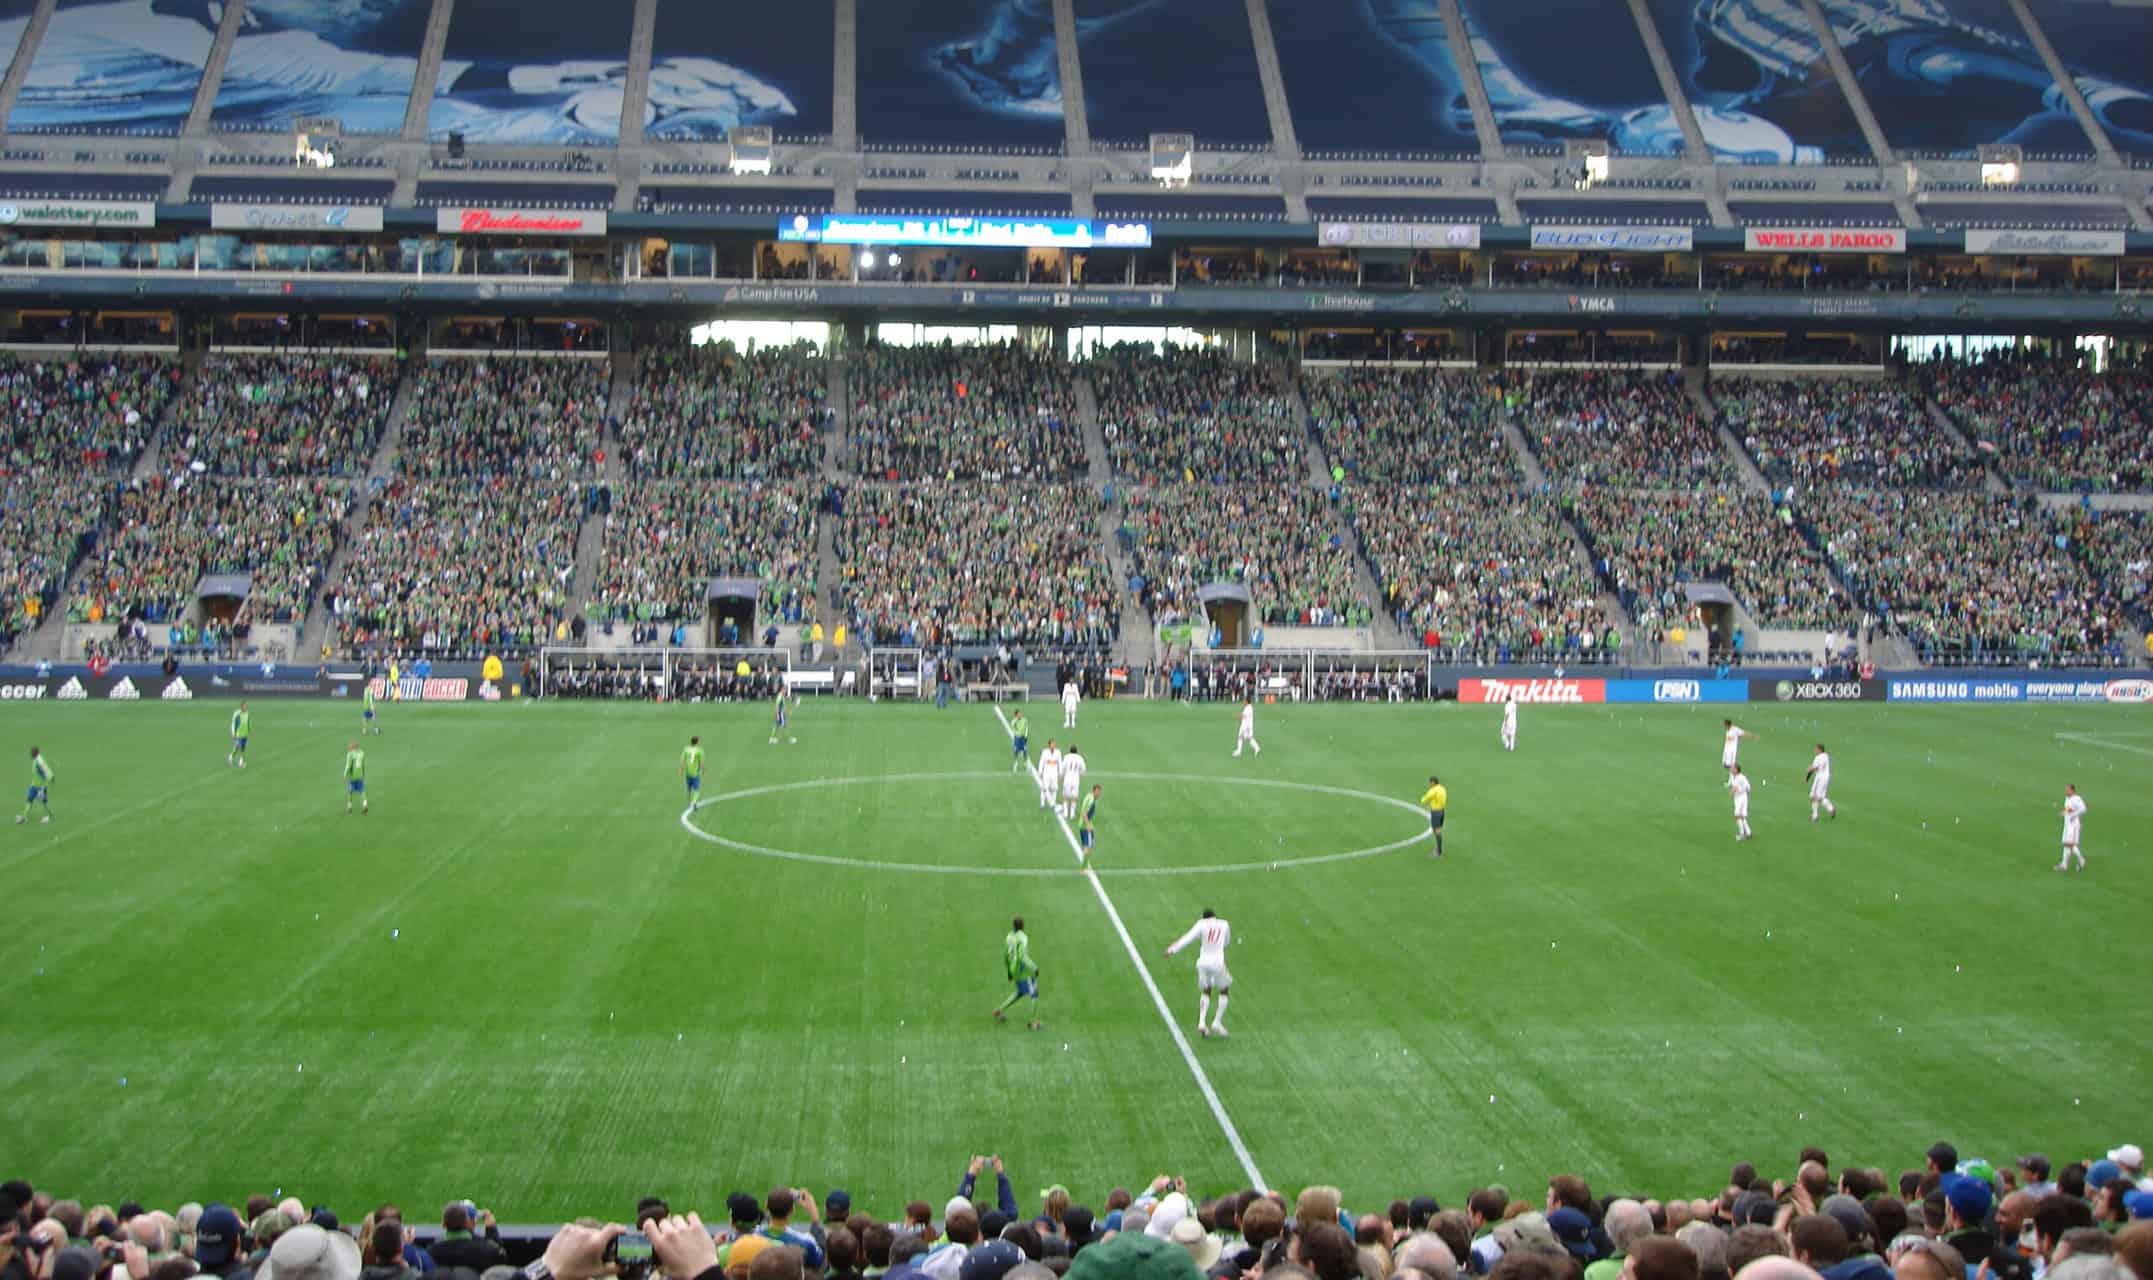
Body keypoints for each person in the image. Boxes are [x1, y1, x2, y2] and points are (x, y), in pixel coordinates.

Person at [1163, 909, 1233, 1038]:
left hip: (1202, 963)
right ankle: (1217, 1022)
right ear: (1214, 916)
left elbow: (1187, 938)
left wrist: (1172, 950)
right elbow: (1227, 942)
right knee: (1224, 990)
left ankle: (1201, 1022)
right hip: (1217, 962)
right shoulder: (1224, 924)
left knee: (1206, 990)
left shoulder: (1201, 924)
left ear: (1204, 917)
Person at [992, 915, 1043, 1029]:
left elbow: (1005, 955)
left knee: (1020, 992)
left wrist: (1009, 971)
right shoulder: (1022, 938)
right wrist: (1034, 967)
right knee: (1034, 993)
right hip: (1022, 969)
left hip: (1013, 968)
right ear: (1023, 926)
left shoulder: (1009, 936)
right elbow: (1022, 956)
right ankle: (1033, 1022)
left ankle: (999, 1010)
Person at [18, 746, 53, 824]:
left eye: (32, 753)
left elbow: (44, 772)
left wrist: (49, 778)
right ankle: (24, 817)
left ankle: (49, 815)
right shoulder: (36, 760)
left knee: (44, 802)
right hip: (34, 786)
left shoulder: (39, 762)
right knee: (29, 800)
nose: (31, 754)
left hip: (40, 787)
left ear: (35, 754)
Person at [2056, 783, 2086, 871]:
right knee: (2066, 844)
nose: (2066, 791)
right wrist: (2064, 812)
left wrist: (2074, 815)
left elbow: (2083, 809)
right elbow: (2069, 809)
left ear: (2072, 790)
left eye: (2068, 790)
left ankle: (2081, 860)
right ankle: (2064, 865)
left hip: (2073, 825)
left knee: (2070, 844)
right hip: (2067, 824)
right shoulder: (2067, 798)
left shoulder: (2076, 799)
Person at [1806, 743, 1836, 821]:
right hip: (1825, 777)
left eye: (1816, 749)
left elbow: (1815, 768)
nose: (1815, 750)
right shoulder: (1826, 756)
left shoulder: (1818, 758)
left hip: (1820, 778)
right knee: (1817, 796)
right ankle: (1829, 809)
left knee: (1815, 796)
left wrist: (1808, 775)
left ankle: (1816, 815)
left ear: (1820, 749)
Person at [1420, 774, 1447, 858]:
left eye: (1430, 783)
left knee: (1437, 831)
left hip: (1436, 812)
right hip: (1442, 811)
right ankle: (1439, 849)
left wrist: (1422, 800)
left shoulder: (1433, 790)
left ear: (1433, 782)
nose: (1429, 784)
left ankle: (1438, 852)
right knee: (1438, 830)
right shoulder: (1442, 788)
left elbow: (1425, 799)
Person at [1059, 744, 1086, 821]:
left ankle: (1065, 813)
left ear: (1070, 751)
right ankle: (1072, 814)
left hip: (1067, 778)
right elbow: (1083, 769)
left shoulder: (1066, 757)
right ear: (1077, 751)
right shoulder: (1080, 758)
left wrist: (1061, 776)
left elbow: (1062, 767)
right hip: (1076, 779)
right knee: (1074, 797)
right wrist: (1078, 773)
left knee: (1065, 796)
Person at [1036, 738, 1062, 812]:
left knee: (1054, 788)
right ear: (1049, 745)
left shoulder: (1058, 752)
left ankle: (1053, 803)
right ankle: (1042, 804)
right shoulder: (1045, 752)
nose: (1053, 745)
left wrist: (1060, 773)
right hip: (1046, 773)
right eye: (1052, 744)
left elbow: (1060, 762)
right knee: (1044, 788)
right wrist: (1040, 772)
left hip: (1054, 773)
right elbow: (1041, 762)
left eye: (1054, 744)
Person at [1730, 763, 1753, 841]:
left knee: (1737, 815)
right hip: (1743, 797)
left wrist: (1732, 792)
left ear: (1736, 770)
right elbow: (1748, 788)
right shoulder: (1740, 777)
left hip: (1740, 798)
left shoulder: (1738, 778)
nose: (1731, 769)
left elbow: (1736, 788)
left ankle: (1742, 834)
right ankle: (1748, 833)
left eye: (1733, 768)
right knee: (1742, 816)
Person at [681, 735, 705, 807]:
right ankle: (694, 802)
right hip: (695, 773)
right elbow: (701, 763)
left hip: (688, 772)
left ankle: (689, 803)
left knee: (689, 788)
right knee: (697, 789)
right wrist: (703, 770)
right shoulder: (700, 751)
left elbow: (682, 760)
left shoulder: (686, 749)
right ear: (697, 742)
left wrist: (681, 770)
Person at [344, 740, 368, 815]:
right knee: (362, 791)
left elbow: (348, 766)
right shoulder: (362, 753)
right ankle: (365, 804)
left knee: (350, 791)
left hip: (352, 777)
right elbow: (363, 765)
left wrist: (345, 775)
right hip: (360, 775)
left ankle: (349, 807)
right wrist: (363, 774)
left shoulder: (350, 754)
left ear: (352, 747)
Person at [1079, 784, 1100, 862]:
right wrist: (1088, 825)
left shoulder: (1089, 796)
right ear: (1093, 791)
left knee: (1086, 845)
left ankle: (1084, 863)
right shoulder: (1091, 801)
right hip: (1085, 826)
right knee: (1089, 846)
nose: (1099, 794)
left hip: (1082, 824)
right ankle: (1084, 866)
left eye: (1099, 792)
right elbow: (1084, 813)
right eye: (1097, 792)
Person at [228, 701, 251, 769]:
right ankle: (241, 762)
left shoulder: (247, 713)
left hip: (245, 734)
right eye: (244, 706)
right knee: (241, 748)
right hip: (238, 734)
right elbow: (234, 724)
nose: (246, 707)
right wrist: (233, 734)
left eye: (246, 706)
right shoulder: (237, 714)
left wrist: (249, 730)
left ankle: (231, 757)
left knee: (239, 747)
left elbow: (247, 722)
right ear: (241, 706)